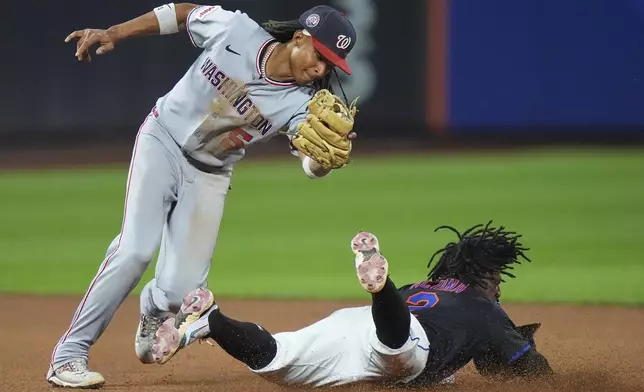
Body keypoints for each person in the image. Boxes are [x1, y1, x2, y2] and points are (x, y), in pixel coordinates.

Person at [47, 3, 360, 388]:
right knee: (135, 250)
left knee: (180, 295)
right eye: (320, 55)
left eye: (330, 65)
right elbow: (181, 13)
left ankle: (155, 308)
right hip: (161, 140)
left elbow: (311, 165)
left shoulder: (302, 104)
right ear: (299, 38)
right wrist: (115, 32)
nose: (320, 69)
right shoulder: (237, 30)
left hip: (210, 173)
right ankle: (68, 355)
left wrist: (326, 159)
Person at [151, 222, 554, 388]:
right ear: (482, 276)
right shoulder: (486, 310)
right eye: (498, 279)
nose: (499, 289)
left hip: (355, 325)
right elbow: (523, 371)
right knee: (401, 348)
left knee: (275, 358)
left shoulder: (425, 286)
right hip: (399, 339)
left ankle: (212, 318)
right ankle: (380, 288)